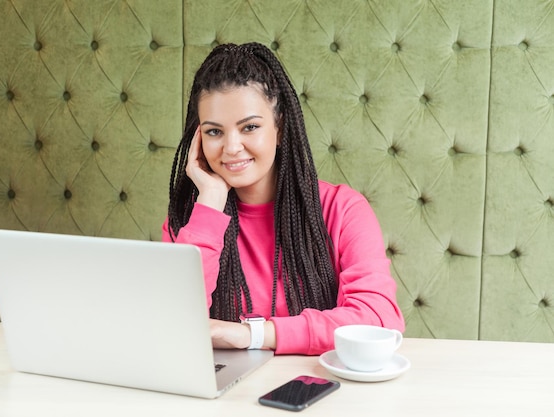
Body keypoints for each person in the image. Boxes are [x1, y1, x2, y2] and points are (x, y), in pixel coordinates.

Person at [163, 42, 404, 356]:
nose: (232, 147)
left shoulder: (343, 210)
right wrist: (209, 202)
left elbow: (378, 320)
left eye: (249, 127)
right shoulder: (191, 224)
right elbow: (173, 323)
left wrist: (252, 334)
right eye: (214, 132)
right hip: (226, 397)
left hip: (315, 389)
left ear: (280, 126)